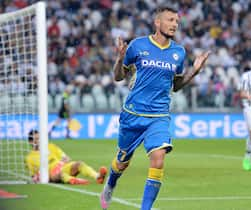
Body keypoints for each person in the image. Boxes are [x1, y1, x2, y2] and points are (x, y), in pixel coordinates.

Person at [100, 6, 210, 210]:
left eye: (177, 21)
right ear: (157, 23)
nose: (174, 24)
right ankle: (111, 182)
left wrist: (194, 71)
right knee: (122, 163)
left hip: (159, 115)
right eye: (170, 20)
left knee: (158, 159)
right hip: (132, 114)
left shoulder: (179, 52)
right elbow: (118, 77)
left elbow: (176, 86)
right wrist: (119, 58)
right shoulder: (137, 45)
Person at [25, 130, 107, 184]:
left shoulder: (50, 146)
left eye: (39, 138)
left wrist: (61, 163)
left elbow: (65, 157)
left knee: (79, 164)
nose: (39, 141)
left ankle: (98, 176)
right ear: (30, 142)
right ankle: (75, 181)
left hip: (62, 167)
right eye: (36, 139)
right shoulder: (29, 158)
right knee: (60, 175)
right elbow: (34, 176)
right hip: (50, 175)